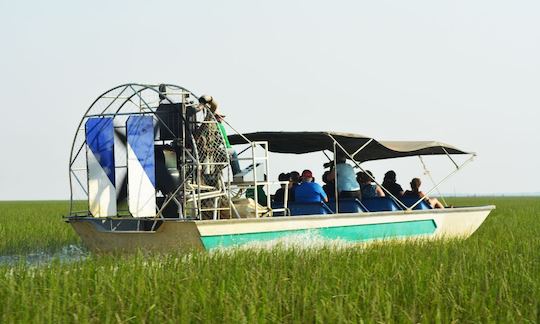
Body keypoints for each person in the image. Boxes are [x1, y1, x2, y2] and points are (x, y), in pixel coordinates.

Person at [199, 95, 241, 175]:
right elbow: (225, 142)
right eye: (221, 117)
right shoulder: (219, 126)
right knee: (233, 152)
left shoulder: (206, 126)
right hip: (217, 150)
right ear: (217, 117)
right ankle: (237, 173)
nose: (222, 119)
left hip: (210, 151)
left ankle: (214, 176)